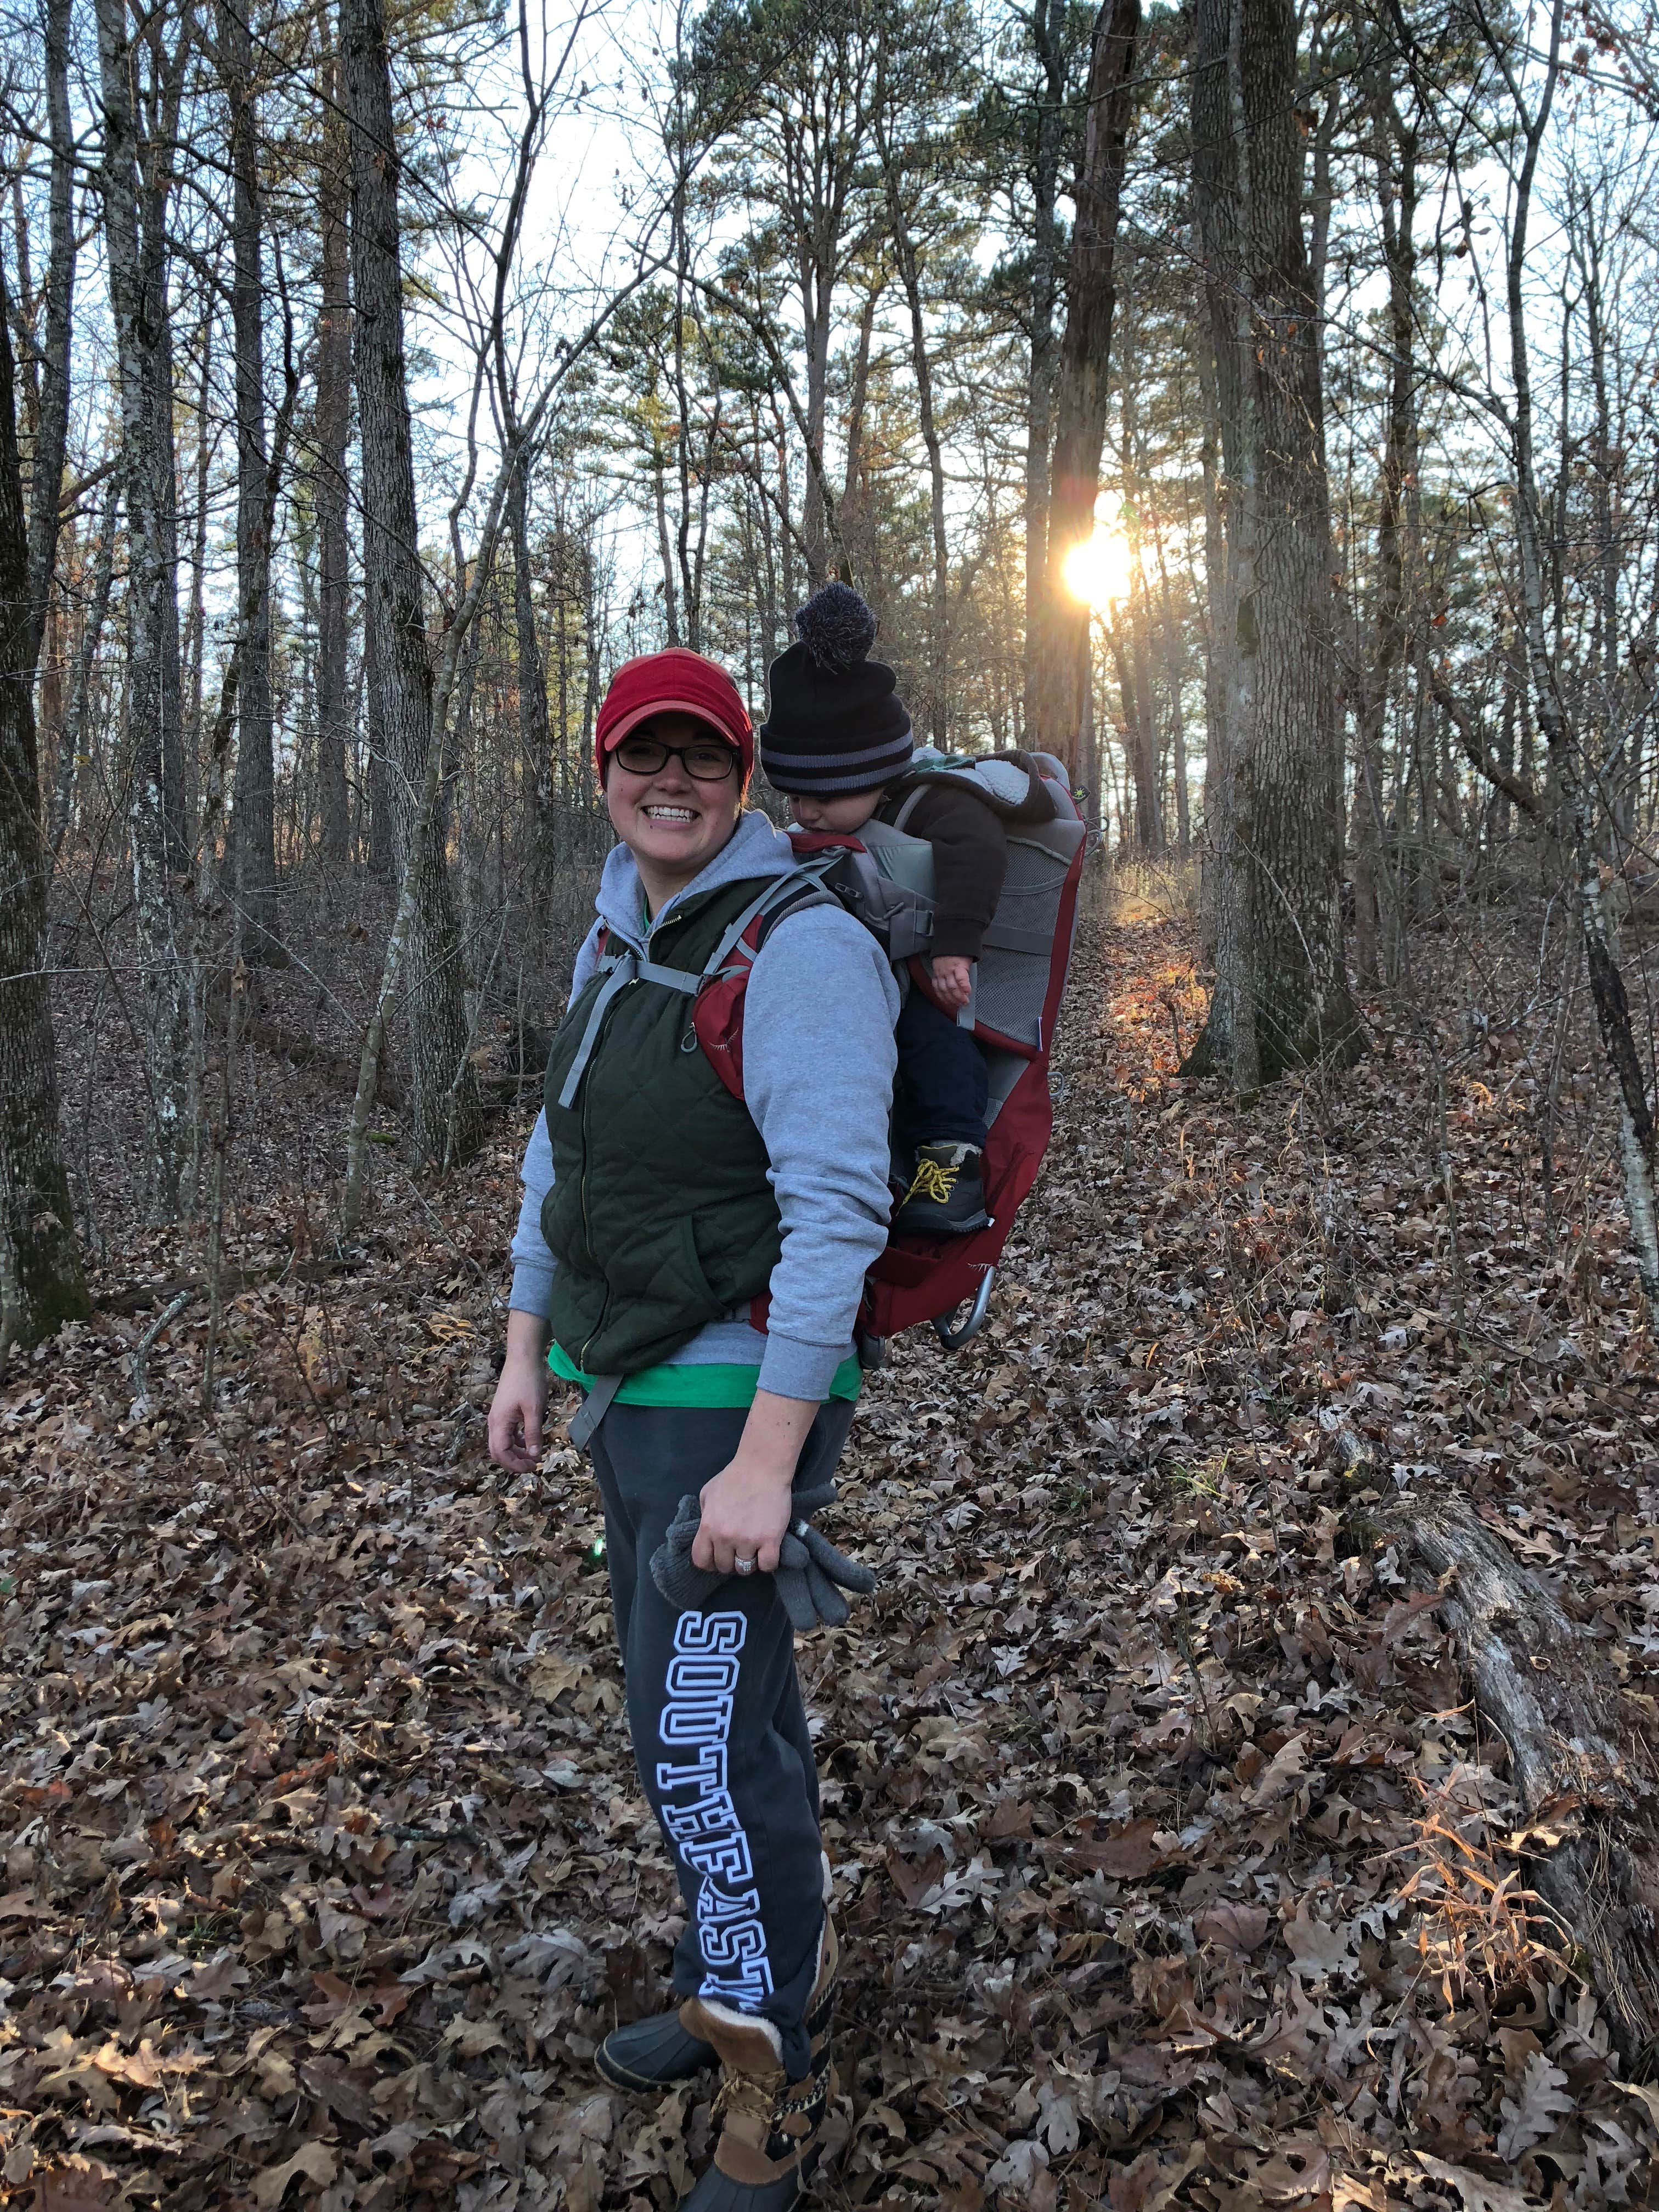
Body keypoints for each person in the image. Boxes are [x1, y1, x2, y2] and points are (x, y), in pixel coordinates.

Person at [488, 646, 898, 2212]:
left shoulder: (797, 946)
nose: (673, 782)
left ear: (744, 779)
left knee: (701, 1752)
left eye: (704, 760)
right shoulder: (623, 923)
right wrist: (528, 1347)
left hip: (733, 1408)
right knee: (717, 1728)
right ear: (603, 770)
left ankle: (765, 2088)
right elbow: (563, 1160)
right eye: (643, 756)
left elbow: (838, 1210)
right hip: (632, 1393)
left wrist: (768, 1465)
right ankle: (724, 1968)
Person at [757, 582, 1057, 1238]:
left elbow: (977, 855)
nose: (805, 812)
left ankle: (954, 1157)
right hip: (865, 973)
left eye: (822, 796)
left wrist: (955, 944)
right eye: (795, 795)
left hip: (929, 973)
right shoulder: (854, 812)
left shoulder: (934, 801)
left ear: (871, 770)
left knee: (936, 1043)